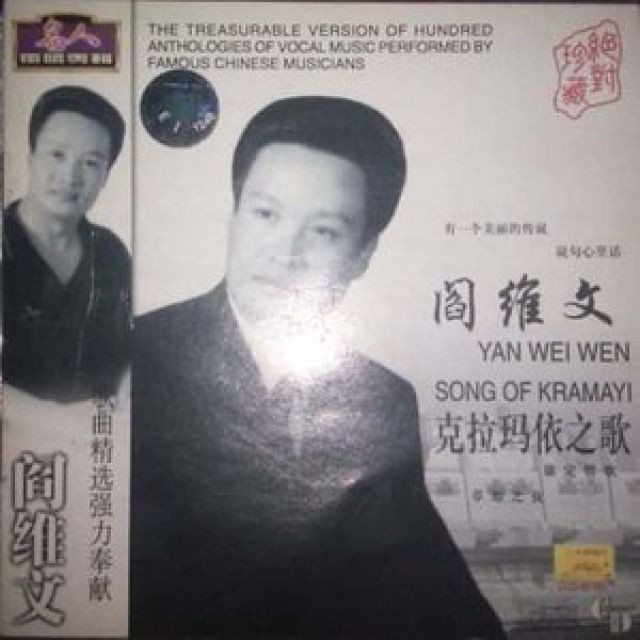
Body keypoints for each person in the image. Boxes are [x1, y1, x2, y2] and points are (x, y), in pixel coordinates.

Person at [132, 96, 506, 639]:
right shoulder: (129, 356)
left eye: (324, 231)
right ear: (234, 216)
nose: (285, 252)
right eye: (266, 214)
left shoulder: (382, 397)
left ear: (363, 254)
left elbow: (427, 576)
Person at [2, 85, 131, 402]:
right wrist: (62, 420)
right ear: (31, 157)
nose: (70, 176)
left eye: (90, 163)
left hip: (98, 428)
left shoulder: (110, 253)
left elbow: (126, 353)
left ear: (106, 175)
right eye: (57, 155)